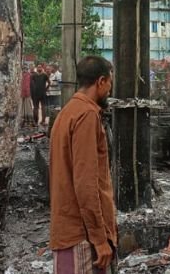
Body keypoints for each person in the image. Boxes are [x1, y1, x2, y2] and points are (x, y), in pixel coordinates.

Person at [49, 56, 116, 274]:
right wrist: (99, 239)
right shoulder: (86, 115)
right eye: (109, 83)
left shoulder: (68, 112)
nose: (110, 90)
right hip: (82, 238)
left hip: (68, 232)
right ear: (101, 81)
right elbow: (86, 183)